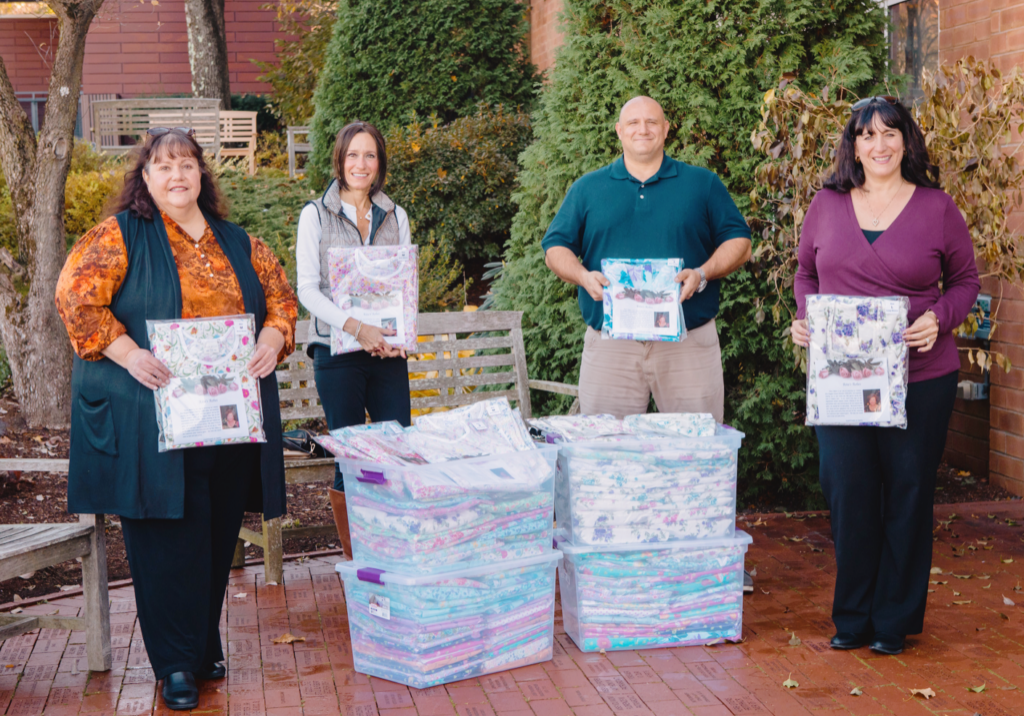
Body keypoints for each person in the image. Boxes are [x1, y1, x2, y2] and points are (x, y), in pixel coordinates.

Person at [55, 128, 298, 710]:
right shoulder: (120, 237)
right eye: (163, 167)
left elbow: (283, 301)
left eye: (187, 164)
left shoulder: (239, 242)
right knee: (167, 538)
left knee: (214, 536)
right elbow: (76, 298)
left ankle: (202, 641)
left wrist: (272, 337)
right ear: (145, 178)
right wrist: (129, 353)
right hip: (155, 421)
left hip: (228, 419)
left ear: (202, 175)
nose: (177, 176)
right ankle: (174, 664)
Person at [791, 96, 980, 656]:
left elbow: (965, 280)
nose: (879, 145)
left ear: (907, 143)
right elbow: (805, 274)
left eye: (890, 134)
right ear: (853, 146)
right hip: (843, 379)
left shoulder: (936, 207)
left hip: (920, 376)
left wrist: (939, 319)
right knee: (847, 490)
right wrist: (806, 320)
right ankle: (853, 616)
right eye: (867, 135)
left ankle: (893, 620)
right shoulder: (826, 205)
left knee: (907, 492)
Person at [541, 96, 752, 422]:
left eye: (652, 122)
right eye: (633, 123)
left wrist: (702, 273)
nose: (643, 129)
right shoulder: (588, 189)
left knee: (696, 454)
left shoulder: (702, 184)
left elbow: (740, 242)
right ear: (619, 131)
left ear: (666, 129)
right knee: (606, 453)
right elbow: (555, 248)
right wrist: (583, 276)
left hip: (688, 344)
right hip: (612, 346)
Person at [295, 120, 413, 557]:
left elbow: (403, 284)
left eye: (369, 155)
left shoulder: (395, 215)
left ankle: (394, 547)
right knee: (352, 456)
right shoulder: (316, 214)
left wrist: (400, 335)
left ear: (379, 162)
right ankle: (357, 555)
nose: (360, 164)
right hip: (336, 351)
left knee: (396, 450)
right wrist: (355, 327)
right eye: (352, 155)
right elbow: (308, 289)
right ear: (339, 161)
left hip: (385, 352)